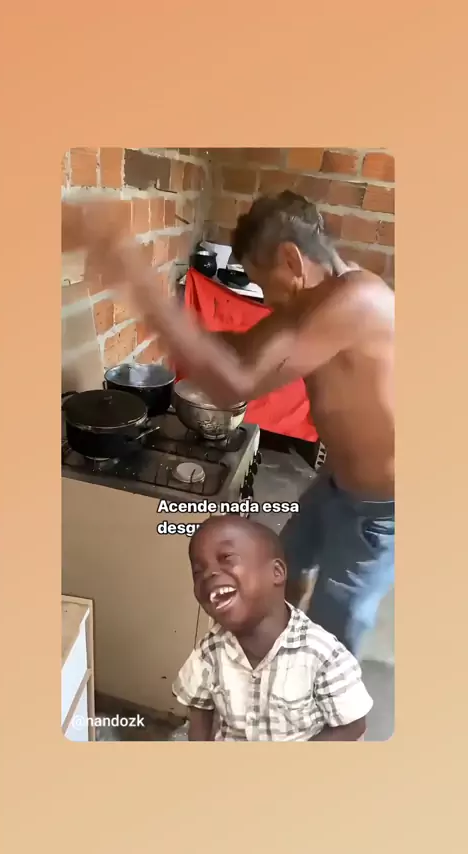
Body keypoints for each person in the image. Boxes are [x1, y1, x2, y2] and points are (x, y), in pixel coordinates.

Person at [64, 189, 394, 657]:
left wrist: (133, 274)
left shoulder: (355, 301)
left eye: (264, 284)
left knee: (337, 624)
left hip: (380, 508)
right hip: (336, 482)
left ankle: (323, 696)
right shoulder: (315, 300)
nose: (266, 299)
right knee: (285, 565)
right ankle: (280, 653)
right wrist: (180, 329)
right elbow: (240, 349)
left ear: (291, 260)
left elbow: (235, 383)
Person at [172, 515, 373, 741]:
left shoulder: (323, 655)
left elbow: (353, 725)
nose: (209, 574)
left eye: (226, 558)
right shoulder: (209, 652)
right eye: (198, 571)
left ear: (276, 573)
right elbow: (200, 713)